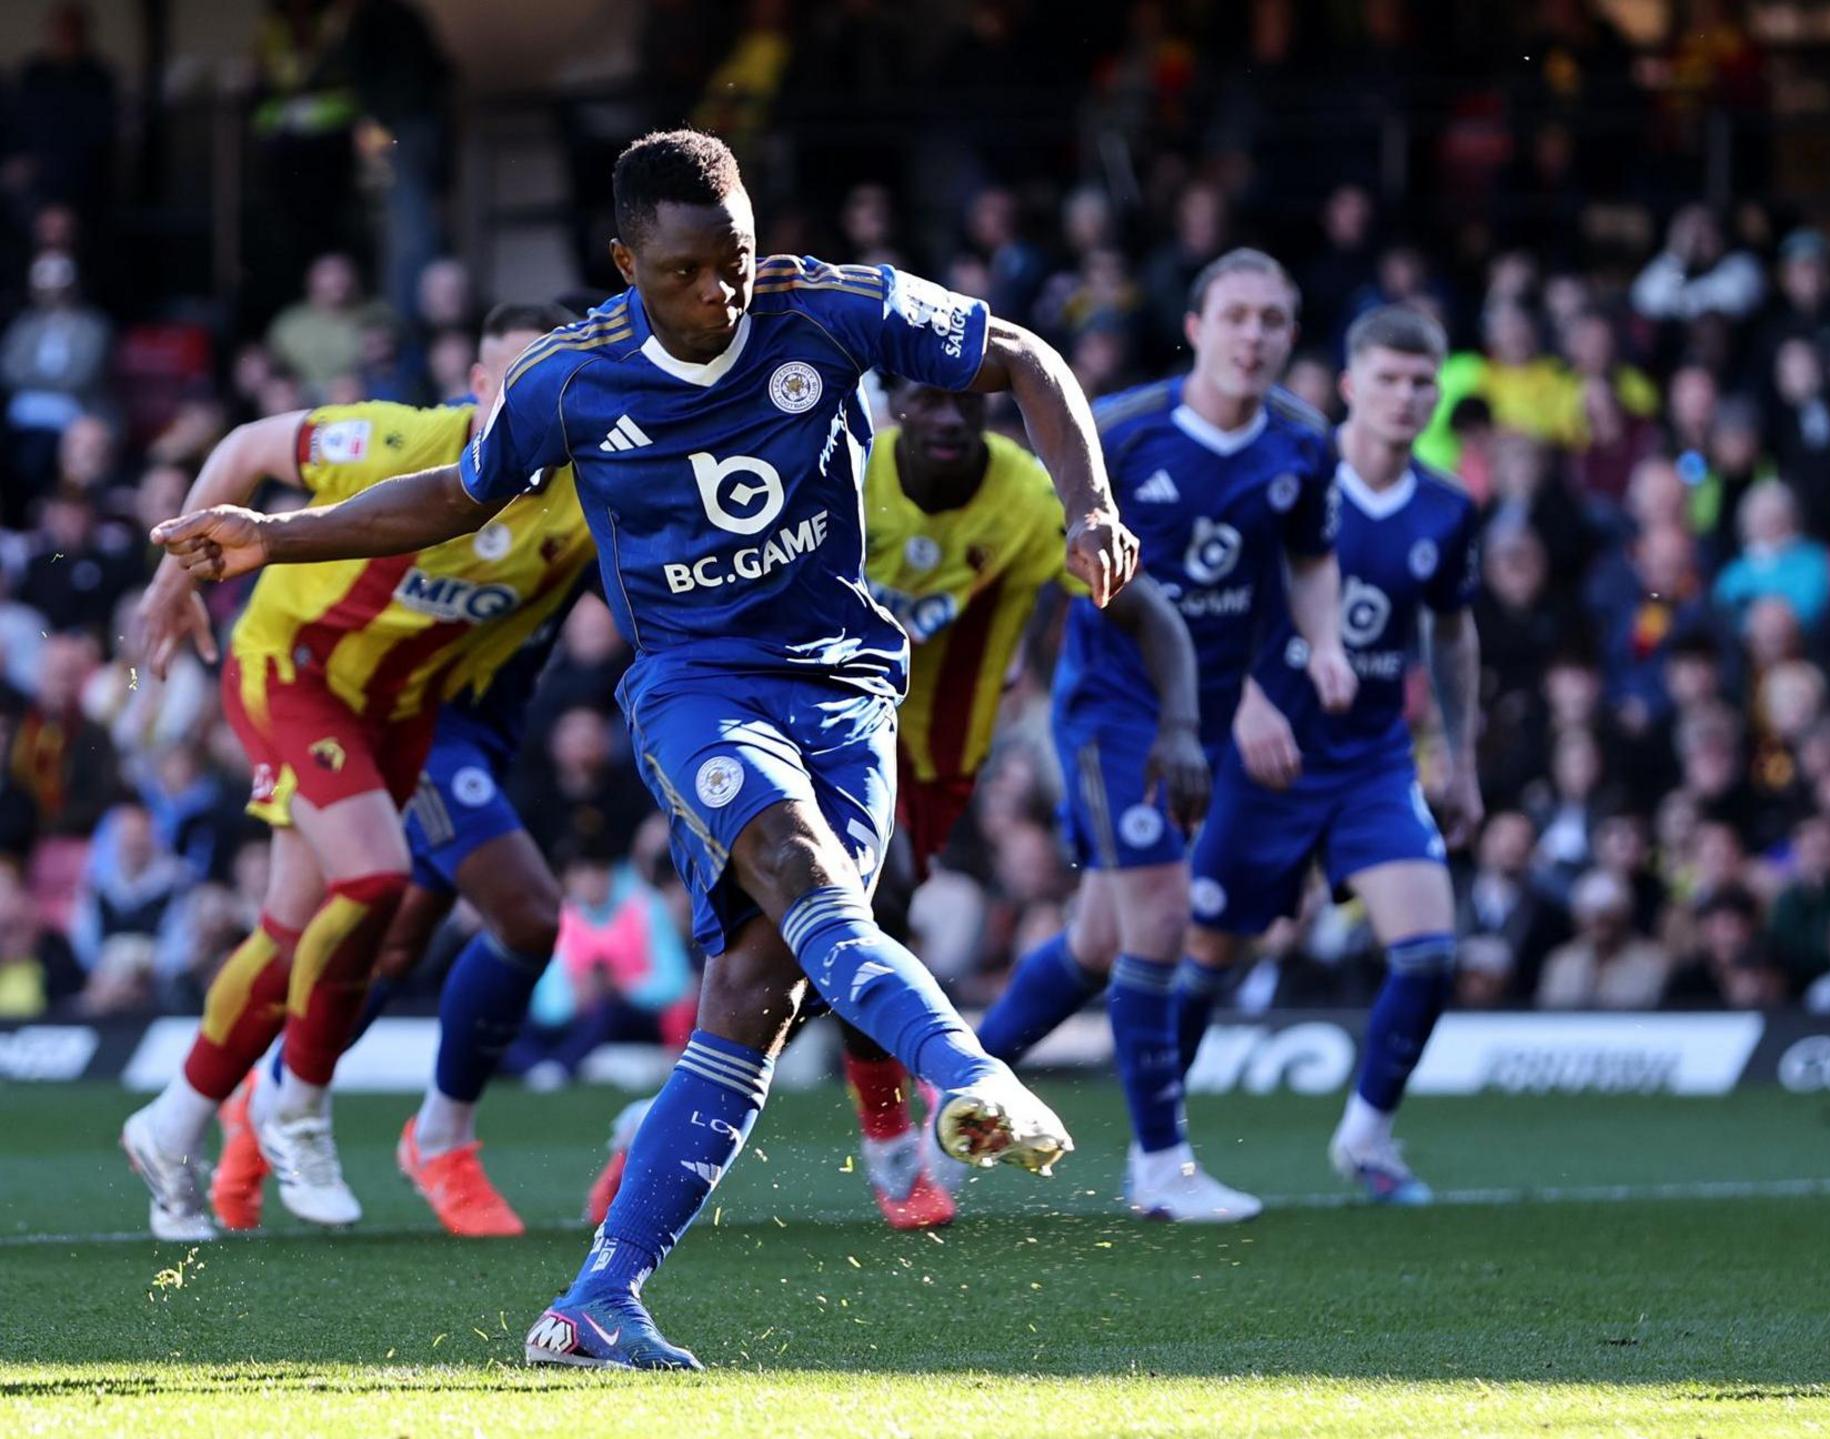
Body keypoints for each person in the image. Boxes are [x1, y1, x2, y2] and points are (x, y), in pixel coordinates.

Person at [151, 130, 1132, 1372]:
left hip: (846, 690)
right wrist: (277, 538)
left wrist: (1089, 502)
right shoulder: (572, 379)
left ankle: (596, 1301)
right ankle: (966, 1070)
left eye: (735, 256)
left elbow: (1028, 358)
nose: (719, 291)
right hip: (697, 690)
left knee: (756, 993)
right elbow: (458, 494)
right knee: (808, 875)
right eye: (684, 270)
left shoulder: (824, 305)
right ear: (626, 262)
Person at [588, 376, 1207, 1232]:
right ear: (895, 406)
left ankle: (649, 1131)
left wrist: (1180, 723)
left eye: (970, 404)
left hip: (936, 759)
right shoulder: (841, 472)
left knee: (790, 978)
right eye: (930, 400)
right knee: (871, 903)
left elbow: (1149, 613)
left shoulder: (1025, 499)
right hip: (816, 739)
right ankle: (891, 1145)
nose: (950, 418)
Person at [120, 302, 593, 1243]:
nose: (516, 397)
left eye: (544, 380)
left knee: (295, 931)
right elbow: (253, 442)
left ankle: (171, 1122)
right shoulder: (401, 438)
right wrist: (174, 577)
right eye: (502, 376)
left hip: (406, 712)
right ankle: (295, 1102)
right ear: (476, 383)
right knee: (377, 876)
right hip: (292, 668)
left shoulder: (586, 497)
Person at [966, 247, 1353, 1225]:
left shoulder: (1303, 443)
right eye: (1237, 316)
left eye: (1272, 320)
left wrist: (1325, 641)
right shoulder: (1127, 432)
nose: (1253, 336)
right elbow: (1061, 551)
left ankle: (960, 1082)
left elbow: (1309, 561)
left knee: (1099, 940)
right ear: (1198, 325)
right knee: (1163, 911)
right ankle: (1161, 1167)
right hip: (1113, 705)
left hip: (1210, 713)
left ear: (1289, 335)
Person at [1185, 304, 1481, 1206]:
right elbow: (1215, 599)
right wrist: (1244, 706)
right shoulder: (1292, 483)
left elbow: (1453, 632)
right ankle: (1158, 1148)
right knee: (1205, 959)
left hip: (1371, 762)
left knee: (1429, 950)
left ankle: (1367, 1137)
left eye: (1421, 382)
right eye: (1387, 379)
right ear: (1351, 387)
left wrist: (1459, 754)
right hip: (1267, 759)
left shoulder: (1447, 506)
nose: (1406, 397)